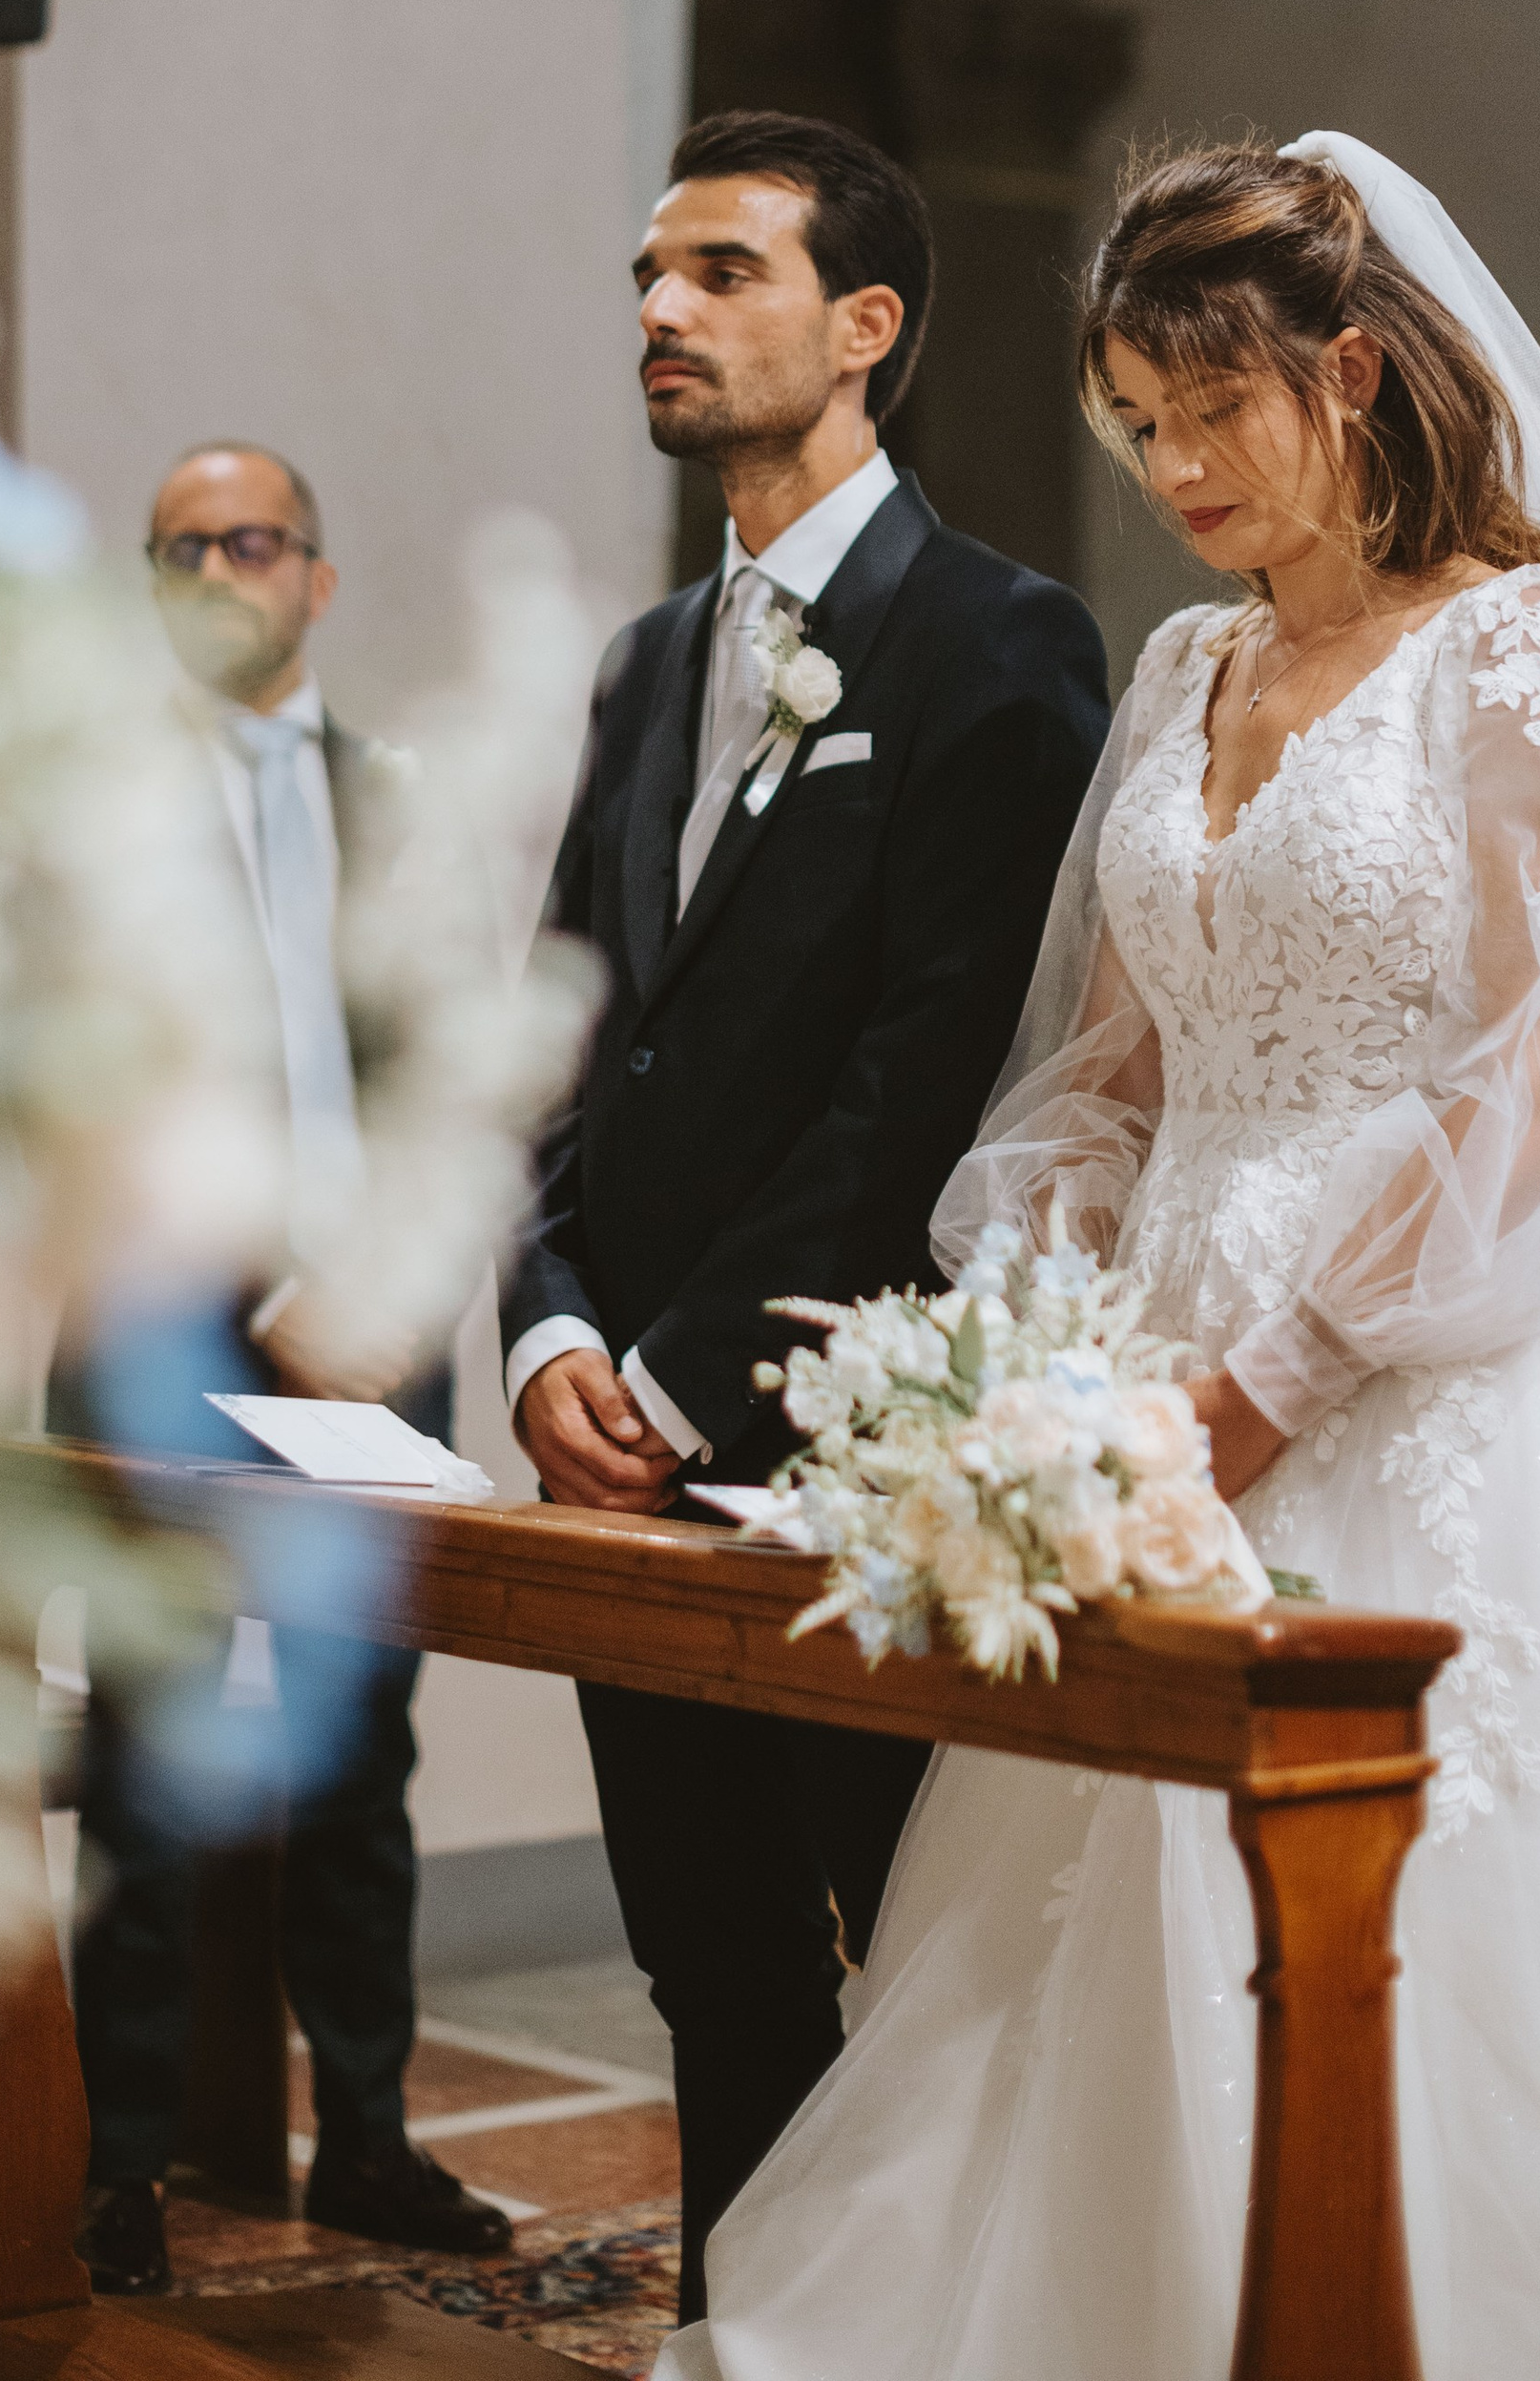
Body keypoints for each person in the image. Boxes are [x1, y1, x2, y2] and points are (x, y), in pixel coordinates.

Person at [663, 136, 1540, 2381]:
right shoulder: (1180, 674)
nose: (1171, 466)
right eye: (1135, 422)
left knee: (1429, 1960)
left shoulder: (1512, 642)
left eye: (1210, 408)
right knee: (1096, 1948)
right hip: (1153, 1380)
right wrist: (1042, 1333)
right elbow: (1105, 1069)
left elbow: (1538, 1059)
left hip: (1431, 1379)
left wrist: (1271, 1381)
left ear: (1348, 371)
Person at [501, 112, 1108, 2319]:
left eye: (721, 273)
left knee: (918, 1959)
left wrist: (680, 1367)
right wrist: (549, 1331)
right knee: (705, 1966)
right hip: (618, 1457)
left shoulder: (999, 641)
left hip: (853, 1447)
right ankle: (737, 2340)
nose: (660, 313)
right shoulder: (650, 660)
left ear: (867, 330)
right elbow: (566, 1033)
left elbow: (930, 1074)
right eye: (649, 276)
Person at [56, 443, 510, 2296]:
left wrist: (398, 1273)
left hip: (371, 1342)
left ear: (317, 578)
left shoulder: (401, 802)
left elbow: (460, 1066)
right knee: (149, 1749)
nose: (219, 571)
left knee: (363, 1748)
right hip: (162, 1337)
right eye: (180, 551)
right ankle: (117, 2166)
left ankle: (375, 2146)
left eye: (251, 540)